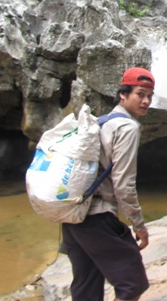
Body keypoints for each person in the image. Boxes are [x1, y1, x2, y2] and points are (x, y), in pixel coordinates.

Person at [61, 67, 154, 301]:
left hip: (73, 217)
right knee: (132, 284)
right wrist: (138, 224)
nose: (146, 101)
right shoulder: (127, 128)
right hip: (97, 218)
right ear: (123, 94)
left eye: (149, 96)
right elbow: (123, 184)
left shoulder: (101, 122)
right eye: (140, 94)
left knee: (86, 288)